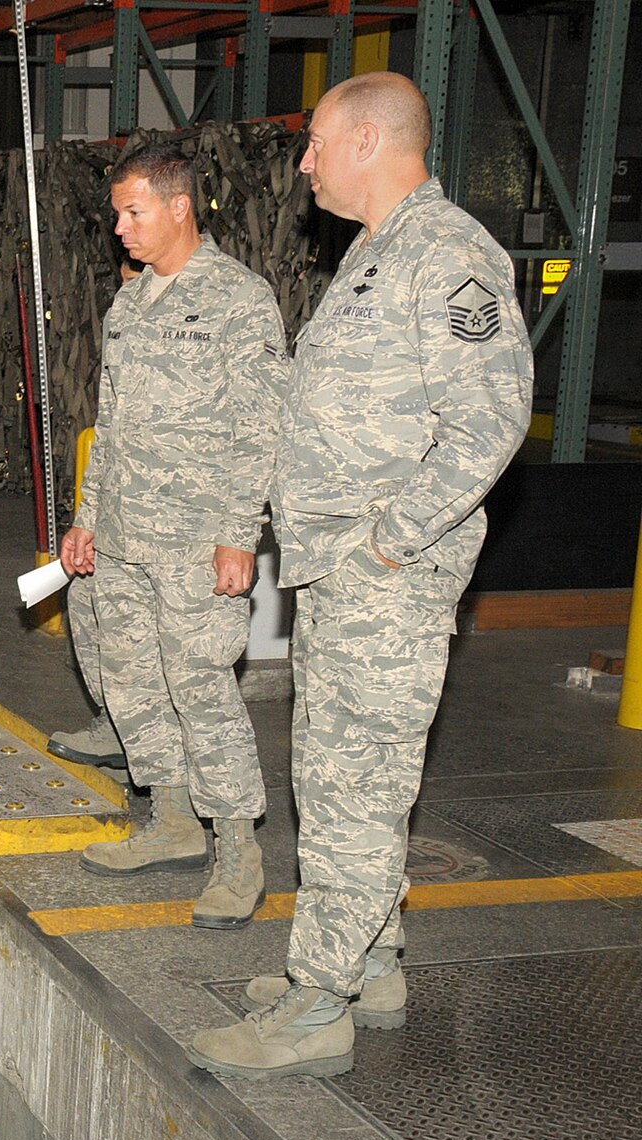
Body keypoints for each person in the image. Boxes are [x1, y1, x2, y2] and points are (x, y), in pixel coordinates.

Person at [189, 72, 531, 1079]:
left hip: (382, 573)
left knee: (348, 785)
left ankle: (317, 1006)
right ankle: (368, 960)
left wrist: (392, 538)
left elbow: (490, 419)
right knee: (349, 776)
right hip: (342, 570)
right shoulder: (377, 255)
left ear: (368, 141)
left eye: (314, 144)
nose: (302, 164)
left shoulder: (448, 254)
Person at [57, 142, 286, 929]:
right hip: (122, 538)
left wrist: (237, 535)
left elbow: (260, 429)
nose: (119, 227)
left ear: (179, 206)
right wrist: (87, 522)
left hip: (195, 543)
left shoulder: (239, 300)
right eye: (117, 212)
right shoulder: (133, 303)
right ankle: (172, 821)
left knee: (201, 692)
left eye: (133, 211)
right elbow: (110, 427)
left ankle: (237, 851)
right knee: (132, 685)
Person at [48, 257, 146, 776]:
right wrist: (88, 519)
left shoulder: (224, 299)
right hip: (122, 507)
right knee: (86, 596)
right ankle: (117, 723)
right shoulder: (127, 312)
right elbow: (109, 428)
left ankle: (177, 792)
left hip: (183, 518)